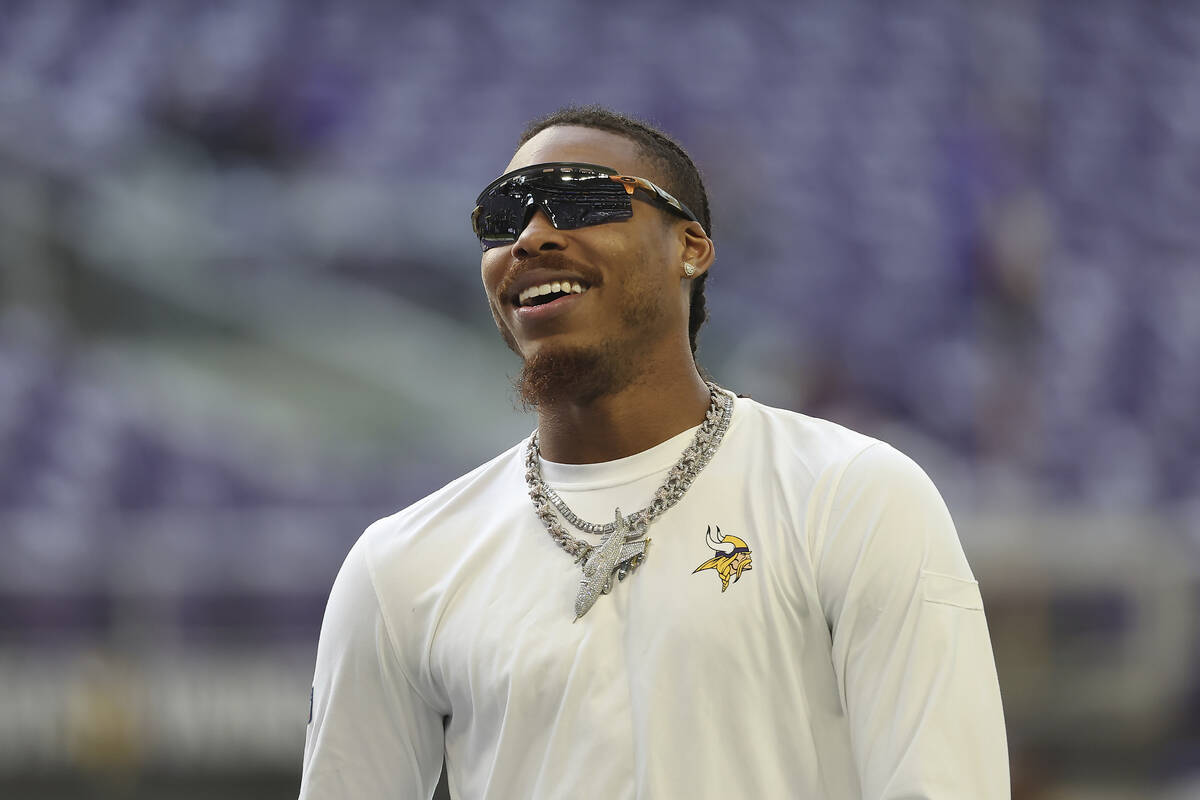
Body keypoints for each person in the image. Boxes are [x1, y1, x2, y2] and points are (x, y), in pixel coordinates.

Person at [298, 106, 1010, 799]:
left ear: (691, 247)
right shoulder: (399, 566)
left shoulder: (851, 496)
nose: (533, 236)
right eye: (501, 218)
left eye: (582, 202)